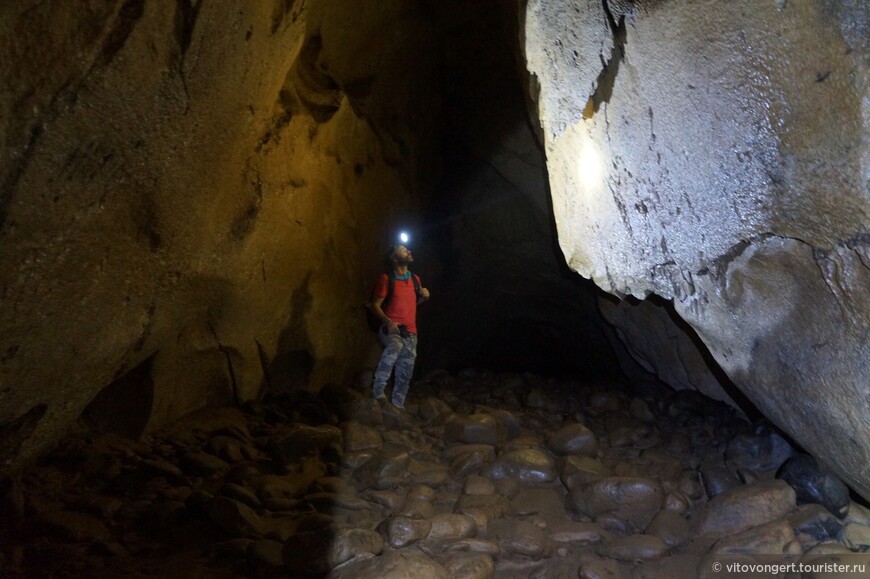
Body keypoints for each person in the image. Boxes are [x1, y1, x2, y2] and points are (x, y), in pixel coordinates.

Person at [369, 244, 430, 409]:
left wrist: (424, 297)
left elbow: (413, 305)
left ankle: (398, 405)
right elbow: (375, 305)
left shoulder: (415, 279)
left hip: (410, 330)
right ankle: (378, 390)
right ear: (395, 258)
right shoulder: (386, 278)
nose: (409, 251)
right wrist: (387, 321)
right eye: (403, 250)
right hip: (391, 327)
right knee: (395, 345)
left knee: (406, 368)